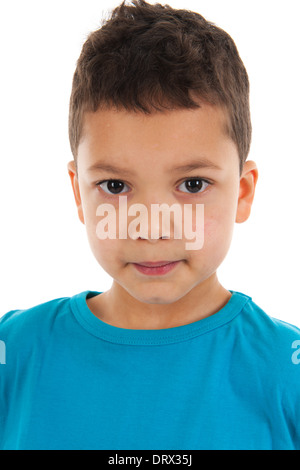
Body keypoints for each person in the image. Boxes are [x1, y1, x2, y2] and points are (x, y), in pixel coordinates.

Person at [0, 0, 299, 450]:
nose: (153, 227)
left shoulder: (285, 373)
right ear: (79, 193)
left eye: (192, 184)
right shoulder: (15, 354)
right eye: (116, 185)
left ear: (242, 192)